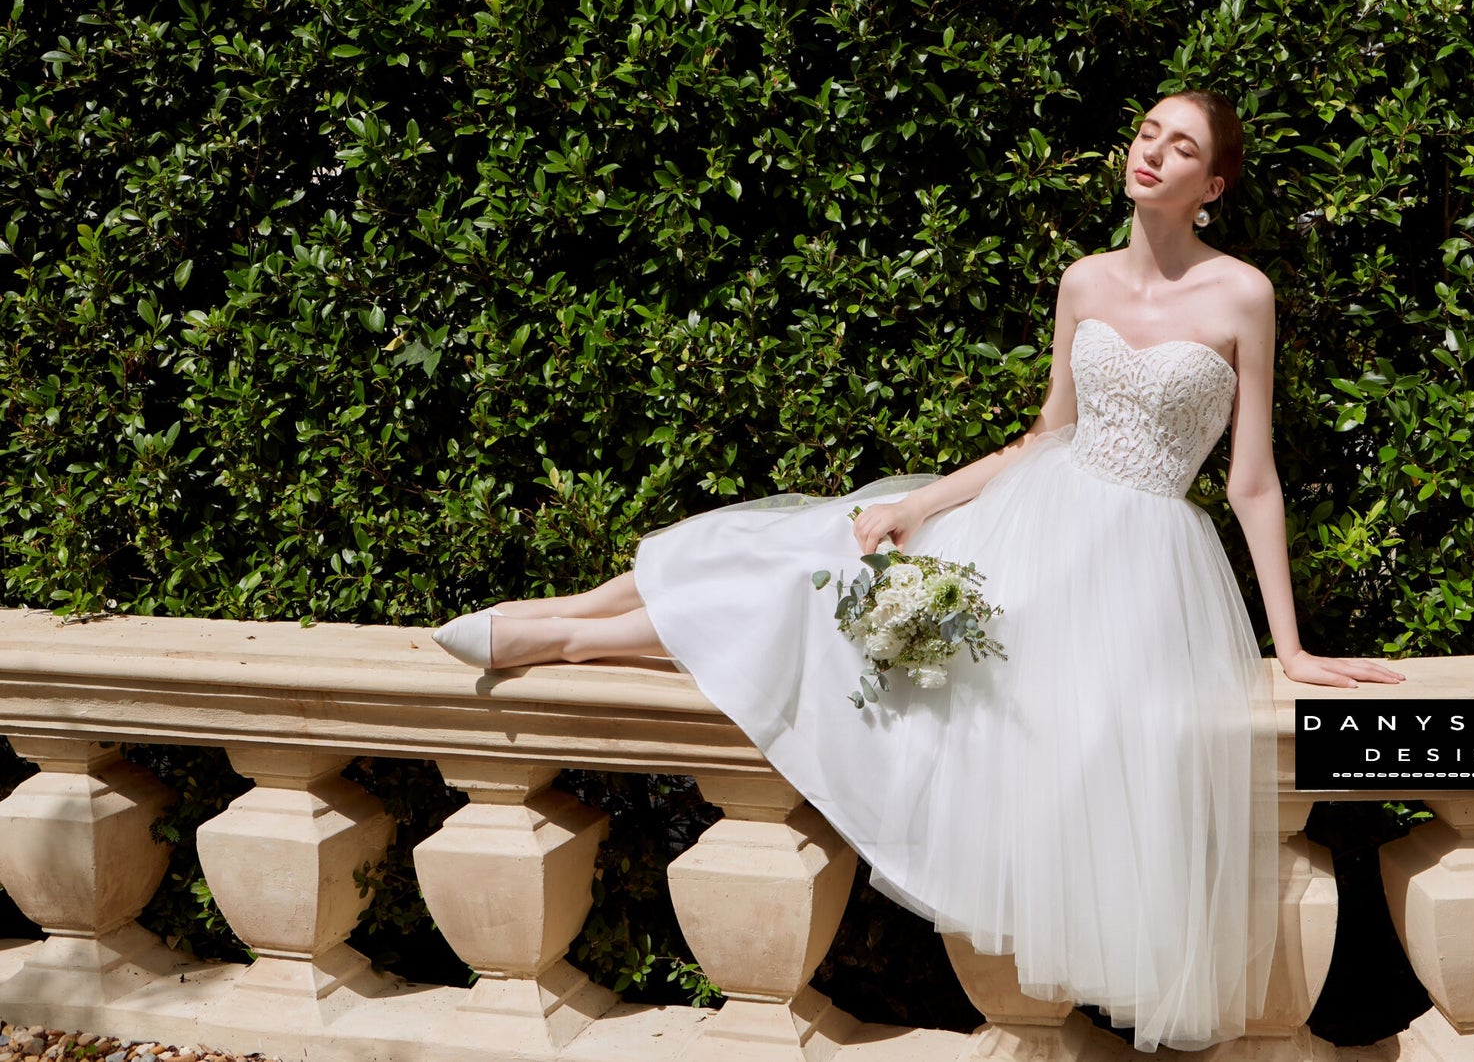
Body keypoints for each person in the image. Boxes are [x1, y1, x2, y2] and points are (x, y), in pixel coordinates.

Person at [433, 90, 1405, 1051]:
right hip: (1036, 509)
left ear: (1213, 183)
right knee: (827, 543)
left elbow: (1251, 480)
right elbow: (1044, 436)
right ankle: (572, 611)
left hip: (1138, 563)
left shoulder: (1240, 293)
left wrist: (1291, 644)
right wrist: (920, 502)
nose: (1150, 150)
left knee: (848, 625)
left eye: (1179, 144)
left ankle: (565, 635)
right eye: (1145, 129)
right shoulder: (1084, 280)